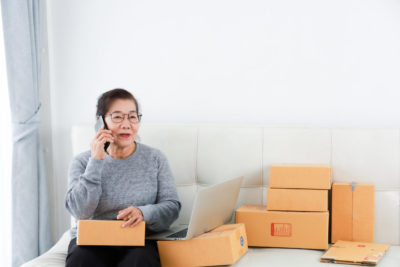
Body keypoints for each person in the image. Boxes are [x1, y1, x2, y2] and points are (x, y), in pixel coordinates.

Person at [65, 88, 181, 267]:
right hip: (92, 241)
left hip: (138, 239)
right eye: (117, 117)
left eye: (132, 117)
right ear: (100, 122)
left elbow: (172, 208)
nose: (126, 124)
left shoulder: (155, 158)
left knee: (141, 260)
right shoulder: (82, 162)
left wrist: (144, 213)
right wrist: (96, 160)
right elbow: (80, 212)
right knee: (82, 259)